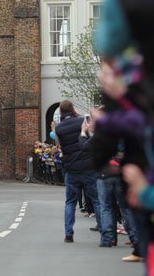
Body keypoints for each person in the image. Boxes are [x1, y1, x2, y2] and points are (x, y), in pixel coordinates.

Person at [54, 100, 100, 243]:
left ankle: (68, 233)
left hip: (71, 169)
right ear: (73, 109)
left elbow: (60, 146)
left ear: (60, 112)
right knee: (97, 200)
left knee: (70, 202)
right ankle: (105, 229)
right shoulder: (82, 121)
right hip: (88, 166)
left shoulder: (59, 128)